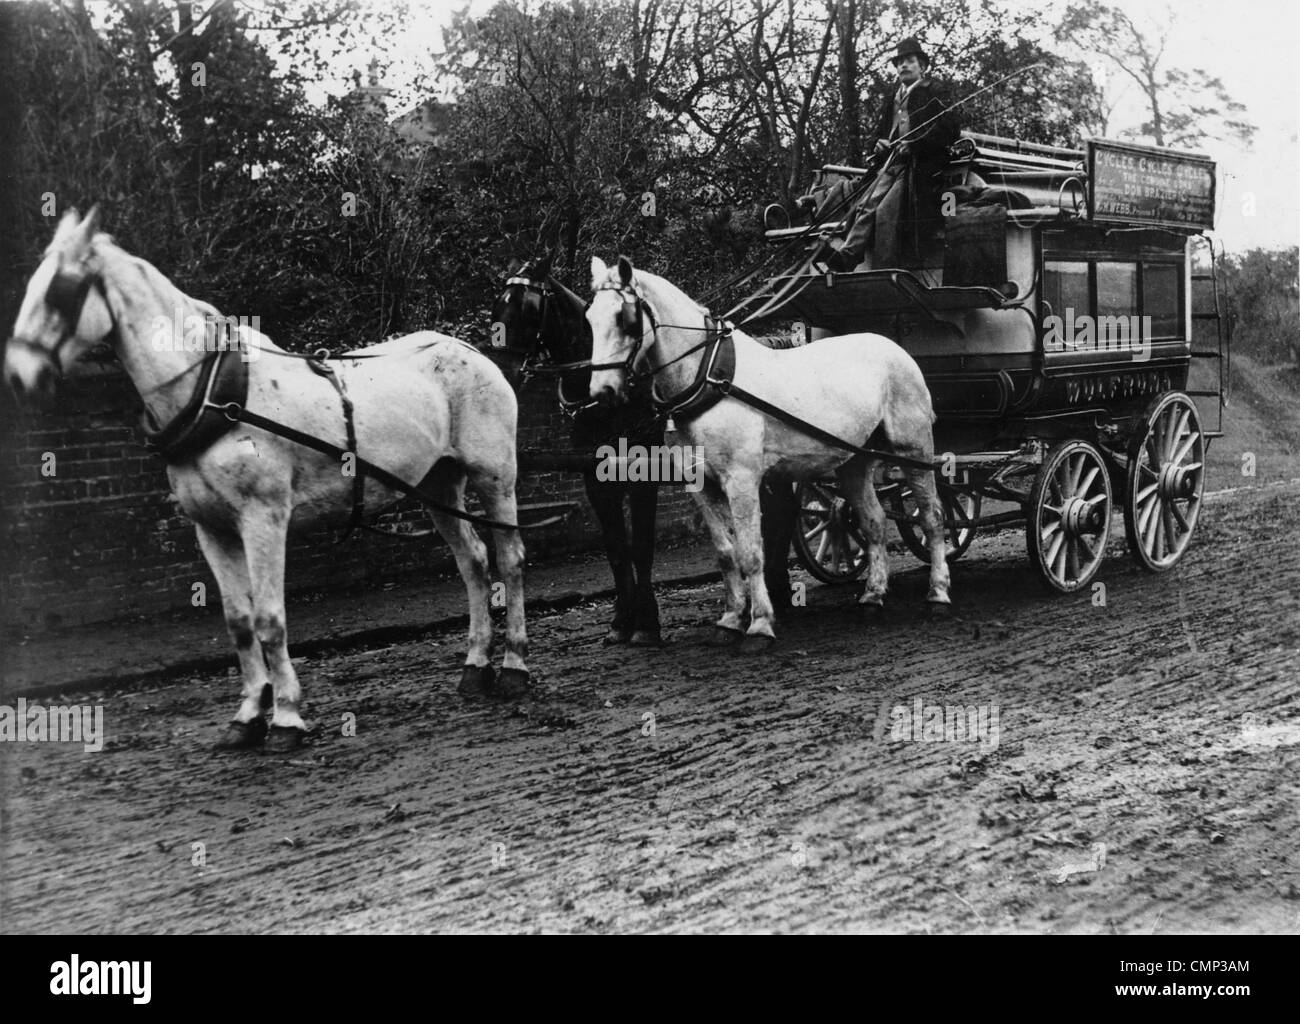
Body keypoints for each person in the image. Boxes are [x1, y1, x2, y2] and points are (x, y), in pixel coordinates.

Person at [818, 36, 960, 271]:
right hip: (890, 163)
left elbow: (950, 128)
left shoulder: (935, 90)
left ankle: (885, 269)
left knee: (886, 212)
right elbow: (879, 133)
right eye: (899, 62)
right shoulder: (893, 96)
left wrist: (916, 145)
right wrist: (878, 143)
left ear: (922, 66)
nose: (903, 65)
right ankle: (848, 256)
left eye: (909, 61)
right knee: (866, 204)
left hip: (920, 167)